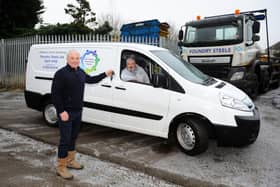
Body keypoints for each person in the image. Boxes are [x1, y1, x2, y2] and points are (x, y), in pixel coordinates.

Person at [51, 50, 113, 180]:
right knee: (65, 140)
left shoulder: (80, 71)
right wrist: (61, 111)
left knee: (73, 137)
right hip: (66, 113)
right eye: (72, 58)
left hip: (78, 111)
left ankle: (70, 161)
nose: (75, 60)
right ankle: (61, 167)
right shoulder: (61, 74)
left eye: (77, 58)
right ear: (67, 59)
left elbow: (91, 79)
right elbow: (55, 95)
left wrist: (104, 74)